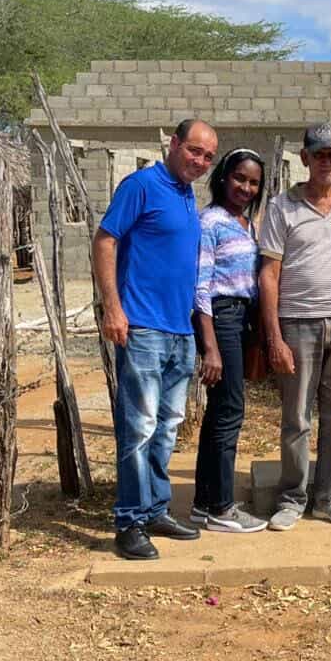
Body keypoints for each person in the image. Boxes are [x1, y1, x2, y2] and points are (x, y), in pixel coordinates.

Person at [92, 118, 218, 561]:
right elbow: (105, 240)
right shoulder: (141, 185)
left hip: (179, 331)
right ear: (174, 143)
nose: (200, 162)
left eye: (208, 157)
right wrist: (113, 307)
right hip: (142, 328)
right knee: (139, 429)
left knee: (166, 430)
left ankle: (155, 510)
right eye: (194, 151)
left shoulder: (187, 196)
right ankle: (128, 522)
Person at [259, 122, 331, 531]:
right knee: (297, 418)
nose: (326, 161)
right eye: (318, 154)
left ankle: (328, 497)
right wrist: (274, 337)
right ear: (304, 158)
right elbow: (268, 274)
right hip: (297, 323)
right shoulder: (282, 207)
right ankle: (291, 499)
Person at [191, 148, 269, 534]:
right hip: (220, 317)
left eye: (253, 182)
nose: (246, 187)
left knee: (219, 412)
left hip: (239, 319)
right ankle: (222, 508)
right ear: (223, 177)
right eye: (240, 178)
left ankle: (204, 501)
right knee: (229, 412)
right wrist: (210, 346)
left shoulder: (246, 224)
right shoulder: (211, 223)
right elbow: (200, 285)